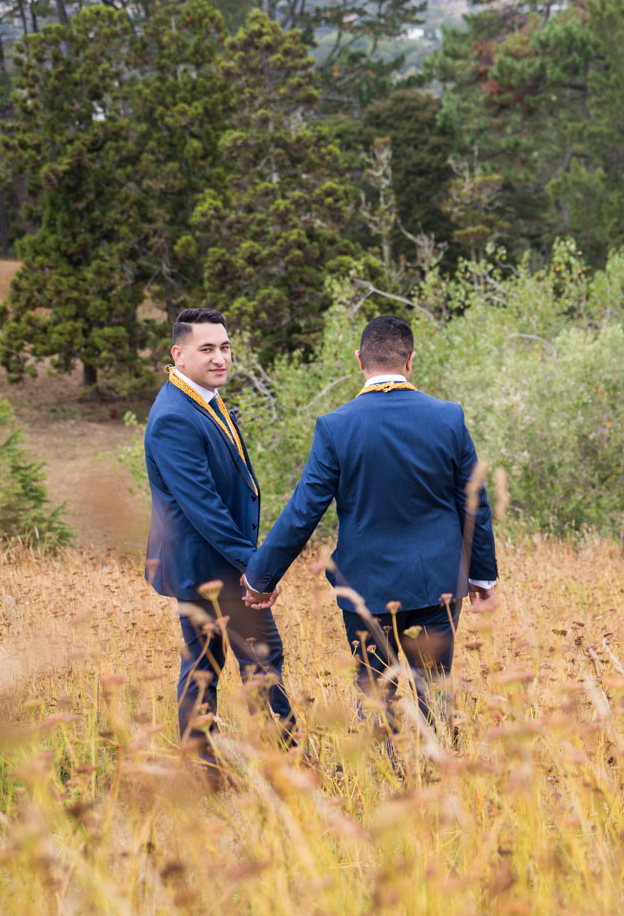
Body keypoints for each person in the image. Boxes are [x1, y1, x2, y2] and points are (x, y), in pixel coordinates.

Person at [241, 314, 498, 732]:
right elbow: (475, 503)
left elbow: (304, 511)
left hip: (367, 589)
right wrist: (483, 577)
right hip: (438, 584)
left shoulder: (335, 426)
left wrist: (260, 577)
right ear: (411, 361)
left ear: (359, 360)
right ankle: (439, 780)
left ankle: (384, 780)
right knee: (434, 691)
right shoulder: (448, 418)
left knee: (375, 693)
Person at [143, 308, 294, 774]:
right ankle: (282, 766)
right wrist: (255, 567)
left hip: (211, 563)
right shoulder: (174, 416)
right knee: (261, 660)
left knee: (203, 667)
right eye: (207, 349)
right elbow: (203, 506)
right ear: (178, 353)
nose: (220, 358)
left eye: (225, 347)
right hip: (210, 567)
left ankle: (203, 768)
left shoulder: (200, 399)